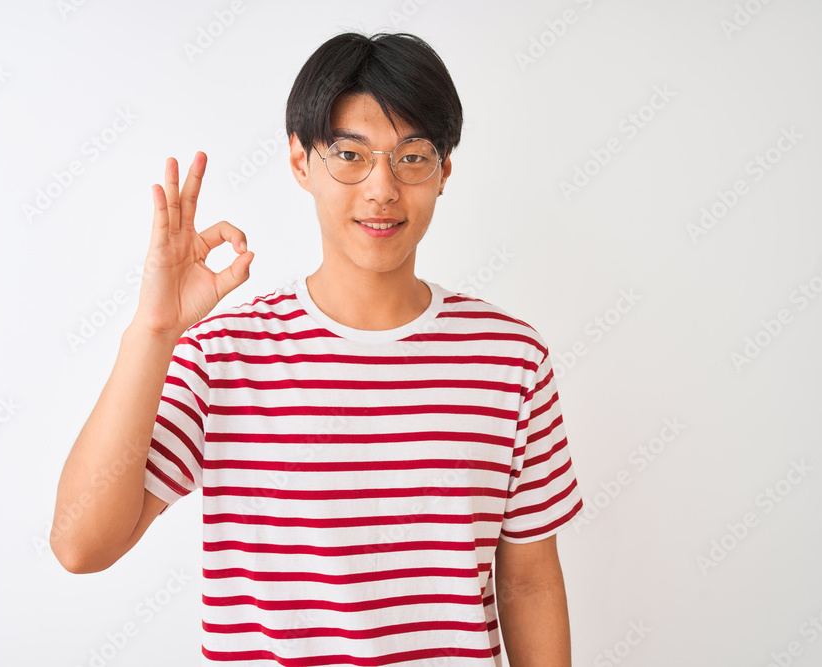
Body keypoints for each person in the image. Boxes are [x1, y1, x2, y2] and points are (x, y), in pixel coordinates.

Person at [51, 31, 584, 666]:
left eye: (412, 156)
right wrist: (153, 330)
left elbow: (530, 581)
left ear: (444, 170)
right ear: (301, 162)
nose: (381, 188)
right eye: (349, 155)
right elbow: (81, 546)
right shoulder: (225, 355)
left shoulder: (510, 358)